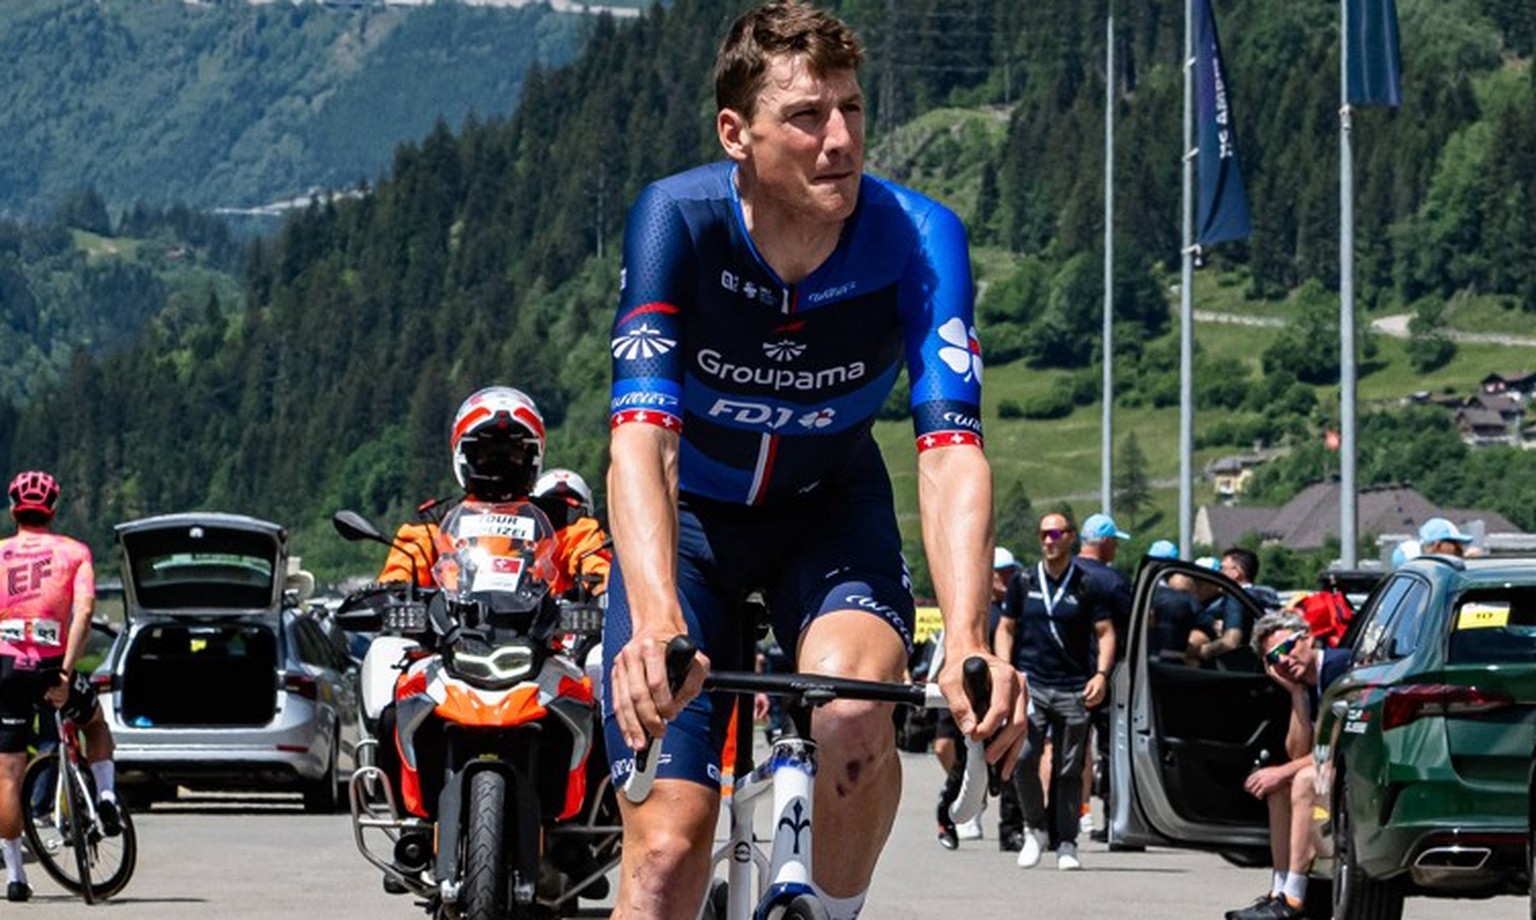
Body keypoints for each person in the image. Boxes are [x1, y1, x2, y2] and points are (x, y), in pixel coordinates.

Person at [601, 4, 1028, 917]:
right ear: (736, 134)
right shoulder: (678, 220)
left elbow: (951, 452)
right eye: (805, 116)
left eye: (852, 109)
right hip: (693, 531)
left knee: (854, 713)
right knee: (667, 856)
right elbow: (643, 438)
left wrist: (966, 636)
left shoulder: (918, 234)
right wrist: (658, 617)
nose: (840, 139)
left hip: (828, 511)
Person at [0, 470, 122, 903]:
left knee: (8, 774)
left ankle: (16, 877)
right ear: (52, 509)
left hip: (7, 666)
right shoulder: (74, 552)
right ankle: (105, 796)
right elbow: (84, 613)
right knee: (95, 724)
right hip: (53, 665)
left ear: (13, 509)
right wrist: (67, 673)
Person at [375, 389, 611, 595]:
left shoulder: (566, 520)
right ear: (464, 455)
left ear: (533, 456)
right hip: (449, 631)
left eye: (514, 452)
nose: (500, 461)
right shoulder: (432, 523)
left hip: (549, 633)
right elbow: (400, 570)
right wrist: (392, 591)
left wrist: (600, 587)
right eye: (486, 452)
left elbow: (596, 562)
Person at [995, 512, 1114, 871]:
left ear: (1071, 537)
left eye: (1056, 533)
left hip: (1075, 688)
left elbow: (1105, 632)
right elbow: (1006, 628)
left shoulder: (1087, 583)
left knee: (1068, 769)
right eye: (1044, 534)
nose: (1049, 540)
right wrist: (1006, 670)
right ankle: (1036, 829)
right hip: (1032, 685)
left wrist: (1101, 675)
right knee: (1024, 758)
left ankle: (1067, 842)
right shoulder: (1024, 581)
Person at [1224, 611, 1352, 920]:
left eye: (1287, 647)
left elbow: (1333, 749)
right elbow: (1298, 751)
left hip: (1360, 767)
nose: (1283, 660)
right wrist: (1296, 694)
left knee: (1304, 779)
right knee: (1280, 787)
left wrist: (1280, 772)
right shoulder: (1304, 683)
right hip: (1335, 767)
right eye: (1273, 658)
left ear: (1308, 637)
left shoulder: (1340, 669)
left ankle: (1294, 899)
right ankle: (1278, 891)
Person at [934, 546, 1022, 850]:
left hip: (998, 691)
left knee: (1005, 759)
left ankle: (1011, 829)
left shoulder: (1013, 607)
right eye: (1000, 573)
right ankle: (955, 810)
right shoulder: (962, 606)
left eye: (1010, 573)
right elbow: (943, 646)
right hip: (960, 687)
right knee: (950, 752)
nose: (1005, 579)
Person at [1073, 512, 1130, 840]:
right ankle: (1113, 822)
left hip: (1067, 674)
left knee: (1066, 748)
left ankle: (1060, 820)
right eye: (1115, 543)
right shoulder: (1113, 581)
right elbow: (1132, 623)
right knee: (1111, 749)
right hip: (1108, 676)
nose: (1116, 549)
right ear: (1105, 542)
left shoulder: (1064, 574)